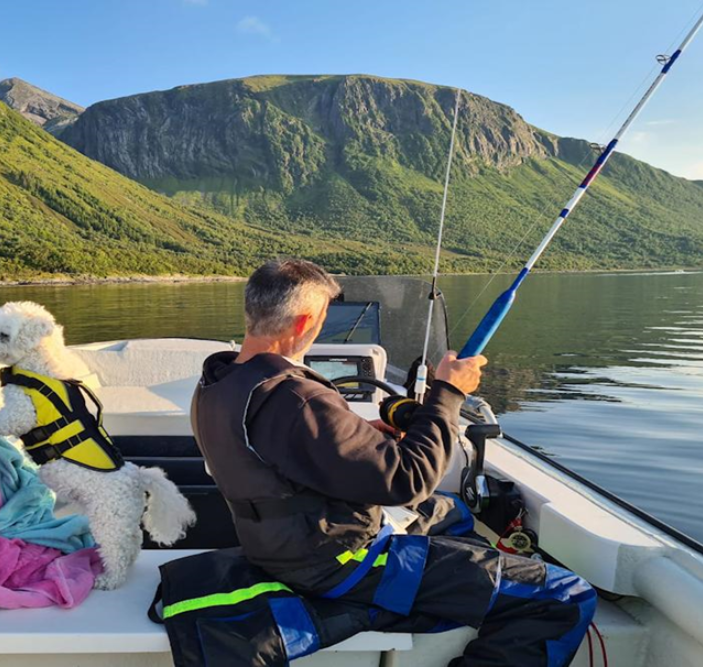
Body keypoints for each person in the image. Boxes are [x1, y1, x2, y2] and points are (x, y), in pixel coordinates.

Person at [190, 258, 596, 667]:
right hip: (339, 563)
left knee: (449, 511)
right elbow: (410, 481)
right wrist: (448, 393)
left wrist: (361, 432)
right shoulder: (298, 399)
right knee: (564, 596)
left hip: (277, 545)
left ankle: (468, 582)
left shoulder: (220, 381)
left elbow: (272, 452)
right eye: (323, 318)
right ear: (302, 324)